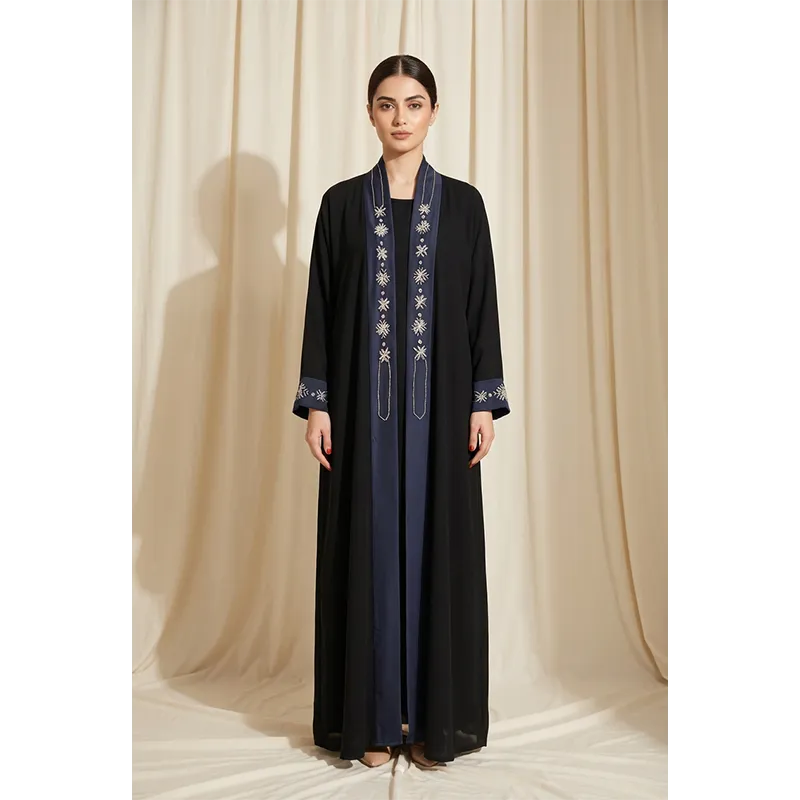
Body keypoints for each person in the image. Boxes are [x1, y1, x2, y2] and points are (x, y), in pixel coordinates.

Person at [292, 54, 510, 769]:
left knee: (437, 550)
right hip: (361, 418)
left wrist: (483, 401)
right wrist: (318, 403)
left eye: (414, 104)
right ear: (370, 113)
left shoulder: (466, 207)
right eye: (387, 104)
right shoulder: (339, 207)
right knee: (368, 553)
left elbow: (480, 306)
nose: (400, 117)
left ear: (434, 113)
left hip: (442, 418)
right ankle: (373, 720)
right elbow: (322, 307)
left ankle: (432, 722)